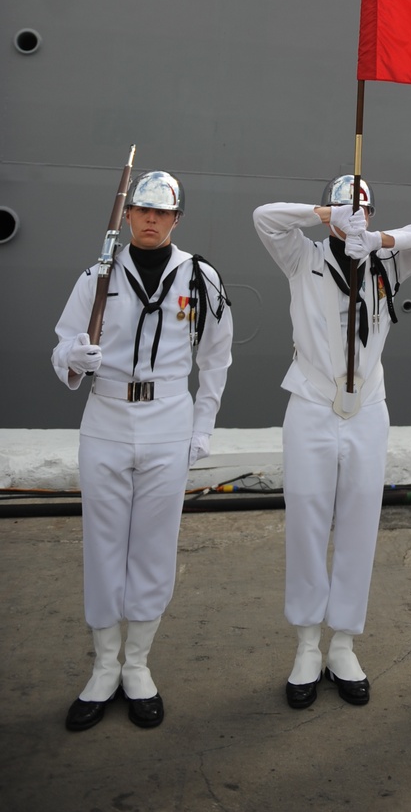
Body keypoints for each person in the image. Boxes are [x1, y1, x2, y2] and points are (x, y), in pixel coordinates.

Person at [253, 179, 411, 710]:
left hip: (367, 408)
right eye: (345, 206)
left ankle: (342, 643)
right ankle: (306, 644)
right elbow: (266, 216)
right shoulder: (302, 256)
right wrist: (324, 216)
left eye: (361, 207)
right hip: (313, 405)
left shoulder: (386, 263)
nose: (353, 214)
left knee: (360, 522)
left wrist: (379, 239)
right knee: (309, 521)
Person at [52, 171, 232, 732]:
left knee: (154, 546)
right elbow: (63, 341)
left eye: (162, 212)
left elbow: (217, 360)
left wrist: (202, 428)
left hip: (167, 420)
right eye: (141, 210)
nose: (150, 219)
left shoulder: (200, 277)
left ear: (177, 219)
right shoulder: (97, 275)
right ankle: (104, 665)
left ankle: (138, 665)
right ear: (127, 215)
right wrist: (73, 360)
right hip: (105, 417)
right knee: (103, 544)